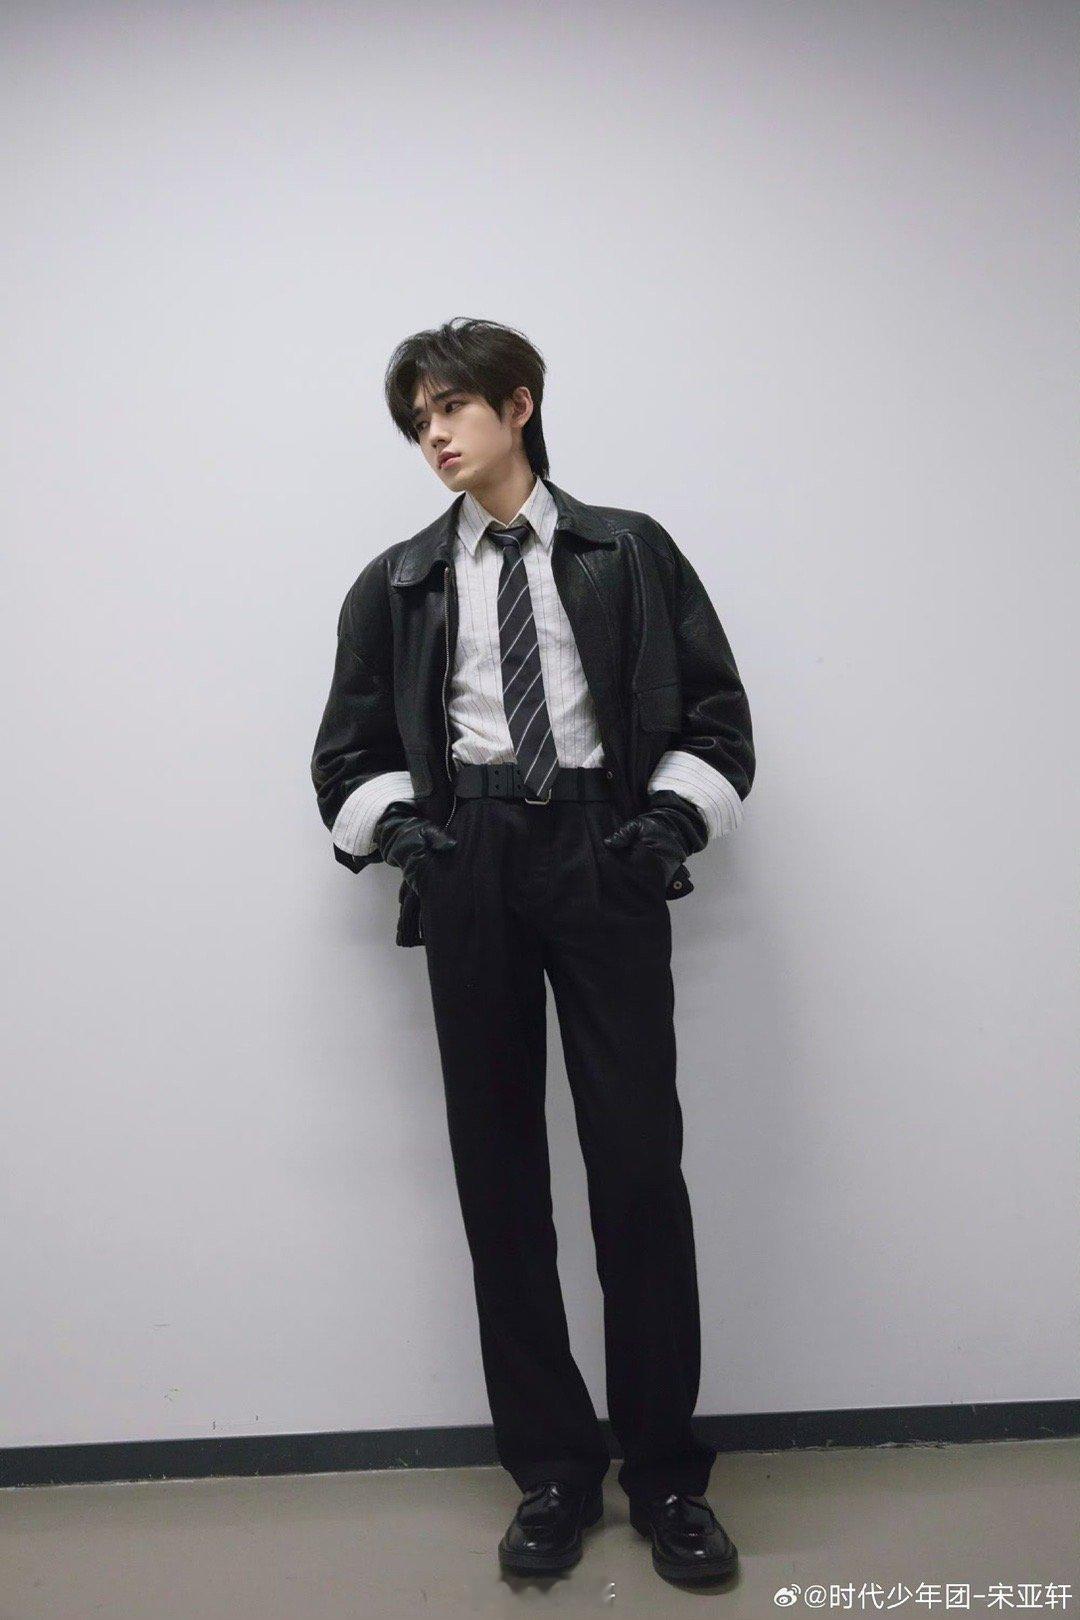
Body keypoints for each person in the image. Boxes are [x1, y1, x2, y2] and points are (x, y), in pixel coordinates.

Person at [311, 316, 755, 1585]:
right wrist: (413, 838)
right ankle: (554, 1472)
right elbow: (346, 755)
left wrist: (664, 825)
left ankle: (666, 1477)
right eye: (416, 421)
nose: (434, 436)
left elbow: (718, 718)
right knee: (499, 1179)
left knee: (639, 1172)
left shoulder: (629, 552)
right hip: (474, 861)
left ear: (518, 405)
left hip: (605, 852)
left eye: (451, 407)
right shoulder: (399, 581)